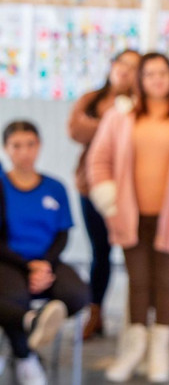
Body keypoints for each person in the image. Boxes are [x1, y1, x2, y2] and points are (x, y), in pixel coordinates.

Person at [88, 52, 169, 383]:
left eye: (163, 73)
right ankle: (132, 350)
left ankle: (159, 351)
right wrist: (110, 201)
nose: (157, 80)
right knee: (138, 281)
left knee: (166, 282)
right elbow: (98, 160)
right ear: (140, 80)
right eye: (150, 74)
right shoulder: (120, 116)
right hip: (132, 214)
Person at [0, 120, 89, 385]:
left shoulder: (55, 187)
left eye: (30, 144)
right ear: (6, 149)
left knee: (77, 294)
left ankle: (33, 327)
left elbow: (63, 233)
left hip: (47, 259)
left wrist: (43, 265)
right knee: (12, 297)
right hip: (9, 260)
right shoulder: (1, 187)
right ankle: (25, 354)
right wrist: (29, 267)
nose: (24, 152)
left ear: (39, 147)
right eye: (17, 146)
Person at [67, 48, 141, 340]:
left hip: (131, 191)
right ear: (112, 65)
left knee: (136, 255)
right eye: (122, 63)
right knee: (100, 253)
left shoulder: (142, 104)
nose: (125, 70)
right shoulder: (92, 99)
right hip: (92, 187)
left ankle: (139, 322)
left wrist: (105, 128)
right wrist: (114, 124)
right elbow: (75, 129)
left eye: (134, 66)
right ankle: (94, 313)